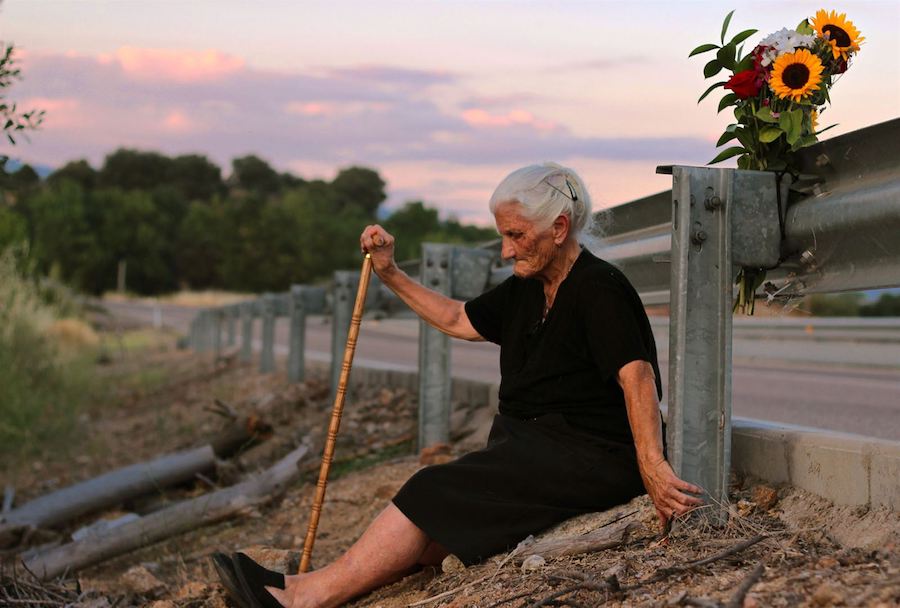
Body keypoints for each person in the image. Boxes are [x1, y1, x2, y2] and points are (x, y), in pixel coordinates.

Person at [216, 162, 703, 608]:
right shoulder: (526, 286)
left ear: (558, 229)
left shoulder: (600, 287)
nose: (507, 250)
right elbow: (456, 318)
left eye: (516, 235)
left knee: (432, 488)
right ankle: (302, 583)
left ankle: (302, 600)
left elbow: (635, 376)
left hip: (588, 456)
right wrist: (390, 273)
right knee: (432, 537)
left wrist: (652, 466)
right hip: (534, 450)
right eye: (502, 236)